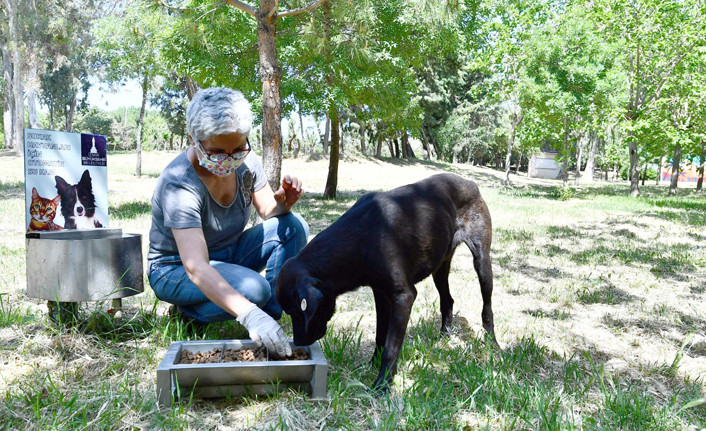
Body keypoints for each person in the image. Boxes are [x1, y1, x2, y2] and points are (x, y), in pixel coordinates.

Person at [146, 87, 308, 357]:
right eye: (218, 152)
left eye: (237, 149)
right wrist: (248, 313)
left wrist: (285, 202)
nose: (230, 159)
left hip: (227, 255)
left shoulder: (245, 160)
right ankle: (190, 312)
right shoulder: (180, 184)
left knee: (294, 226)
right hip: (175, 269)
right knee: (254, 289)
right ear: (194, 140)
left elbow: (268, 209)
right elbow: (196, 266)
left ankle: (269, 316)